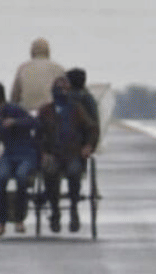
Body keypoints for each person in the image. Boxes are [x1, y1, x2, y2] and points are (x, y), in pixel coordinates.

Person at [36, 76, 98, 233]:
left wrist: (88, 146)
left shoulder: (76, 109)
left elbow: (92, 128)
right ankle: (55, 211)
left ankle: (74, 209)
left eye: (65, 89)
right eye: (59, 89)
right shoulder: (45, 111)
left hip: (73, 154)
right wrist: (42, 153)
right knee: (50, 173)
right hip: (53, 154)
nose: (62, 92)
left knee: (74, 172)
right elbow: (37, 135)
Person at [0, 81, 39, 237]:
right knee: (1, 178)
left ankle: (19, 219)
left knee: (22, 177)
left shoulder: (16, 110)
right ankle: (1, 222)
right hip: (8, 154)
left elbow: (34, 122)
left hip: (26, 153)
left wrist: (15, 122)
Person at [11, 37, 65, 113]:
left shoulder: (22, 68)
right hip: (50, 114)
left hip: (27, 113)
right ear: (48, 51)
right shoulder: (58, 68)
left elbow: (14, 97)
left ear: (31, 51)